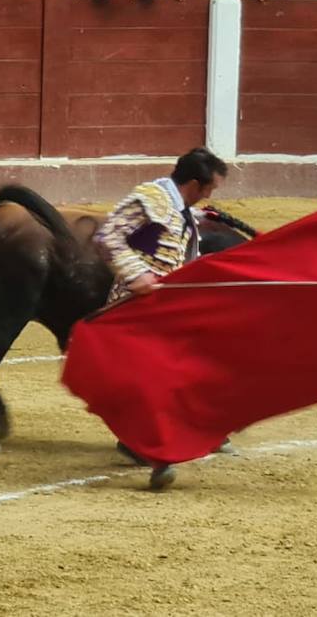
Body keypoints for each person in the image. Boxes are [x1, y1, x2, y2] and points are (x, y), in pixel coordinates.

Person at [93, 147, 231, 489]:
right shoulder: (150, 198)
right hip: (133, 307)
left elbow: (164, 244)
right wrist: (137, 275)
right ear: (196, 184)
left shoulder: (178, 207)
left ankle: (145, 441)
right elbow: (107, 236)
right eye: (210, 187)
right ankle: (161, 456)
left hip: (163, 307)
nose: (211, 194)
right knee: (159, 379)